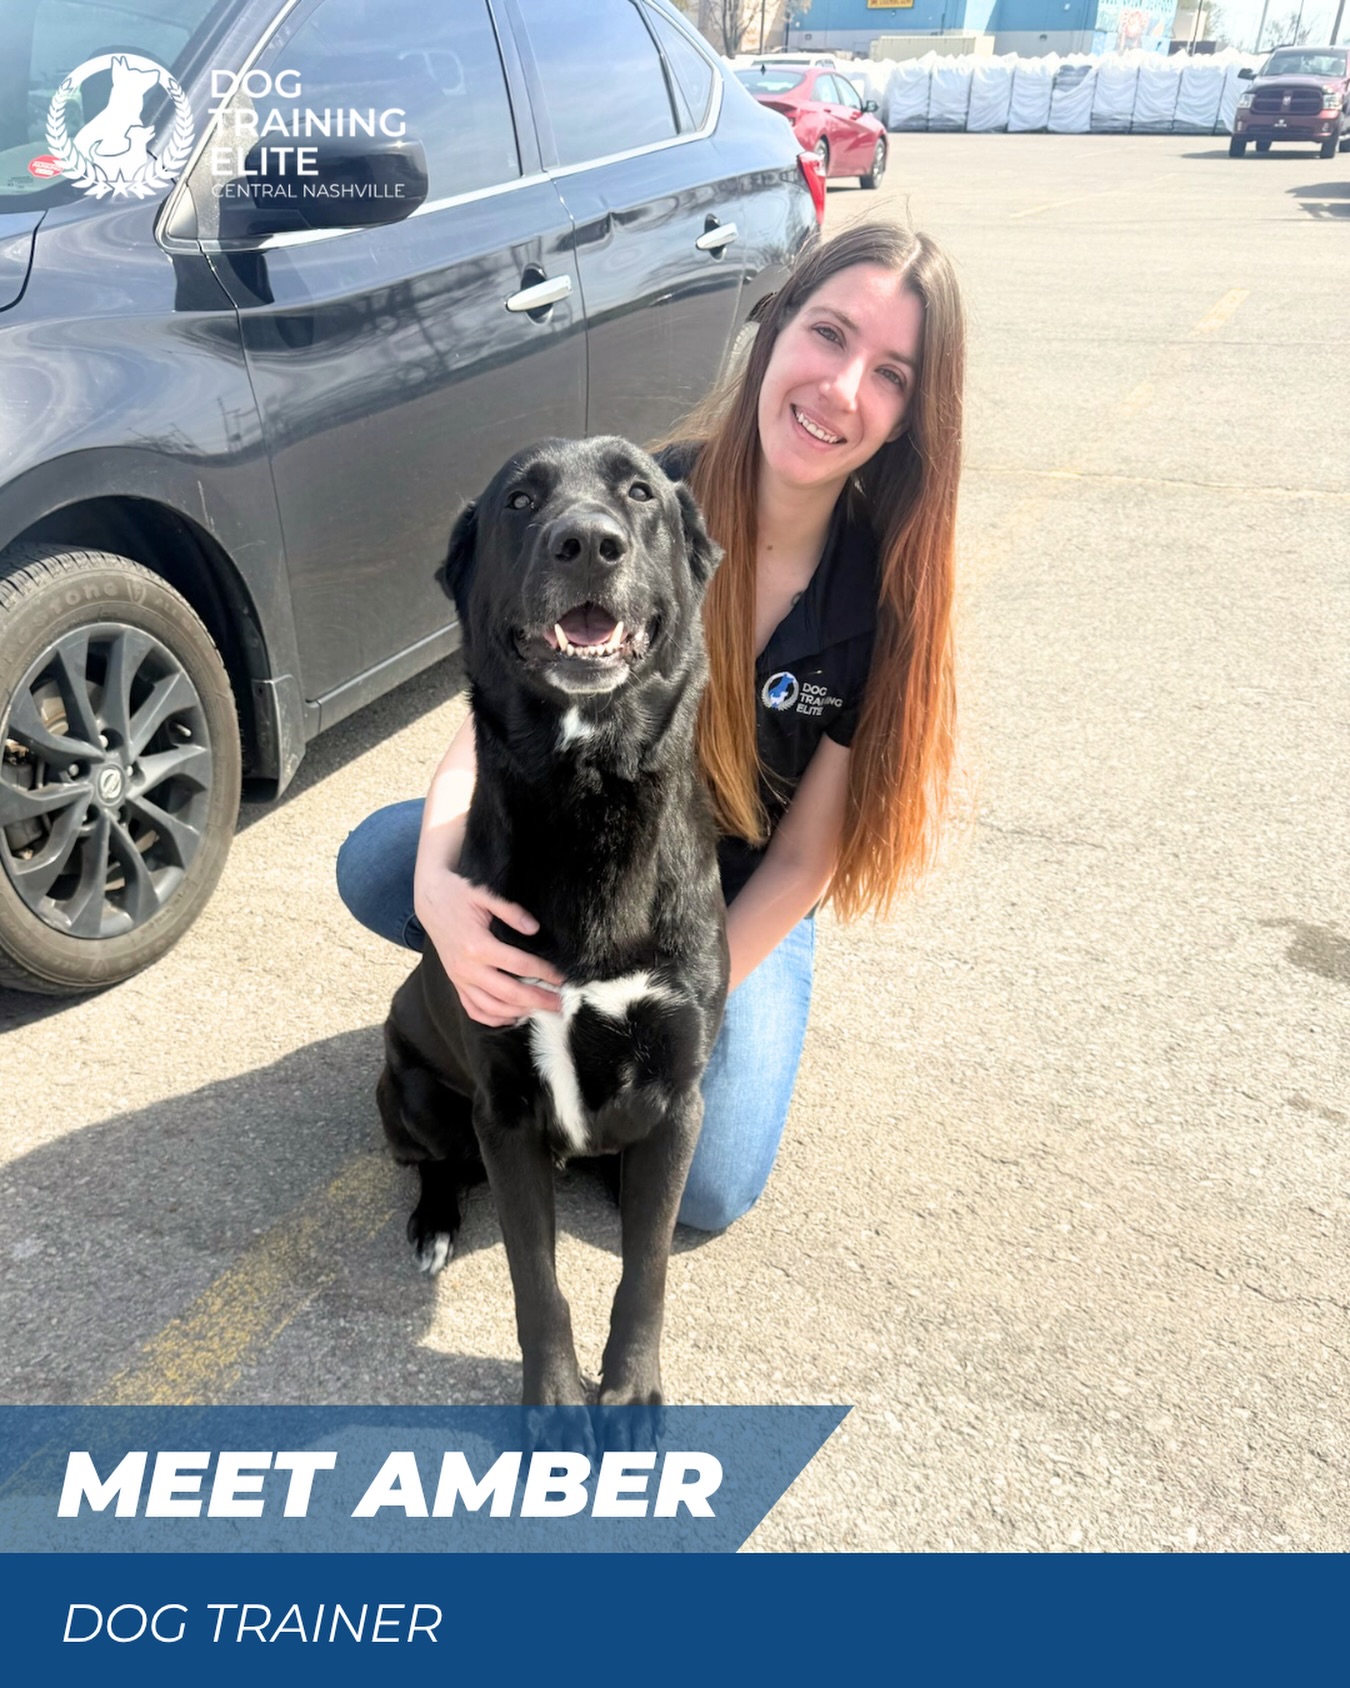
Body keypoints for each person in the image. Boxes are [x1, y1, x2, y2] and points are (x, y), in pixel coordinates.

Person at [336, 220, 965, 1232]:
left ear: (910, 416)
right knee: (378, 859)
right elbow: (498, 707)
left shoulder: (885, 596)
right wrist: (440, 894)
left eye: (890, 372)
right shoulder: (640, 493)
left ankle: (574, 1037)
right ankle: (501, 1019)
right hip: (583, 847)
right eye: (829, 334)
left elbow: (806, 858)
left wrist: (676, 1003)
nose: (843, 390)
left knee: (705, 1189)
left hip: (731, 898)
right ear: (775, 333)